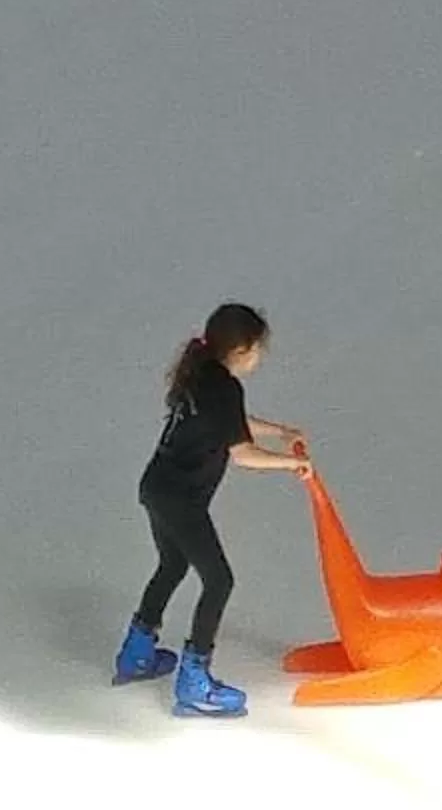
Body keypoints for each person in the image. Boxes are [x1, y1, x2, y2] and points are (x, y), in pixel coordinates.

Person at [113, 303, 313, 720]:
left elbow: (231, 422)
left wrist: (279, 431)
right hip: (180, 499)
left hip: (156, 487)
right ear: (241, 349)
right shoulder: (223, 386)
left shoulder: (202, 373)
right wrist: (292, 463)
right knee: (219, 581)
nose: (260, 357)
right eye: (258, 349)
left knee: (172, 565)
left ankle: (136, 653)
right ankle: (194, 682)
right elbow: (242, 453)